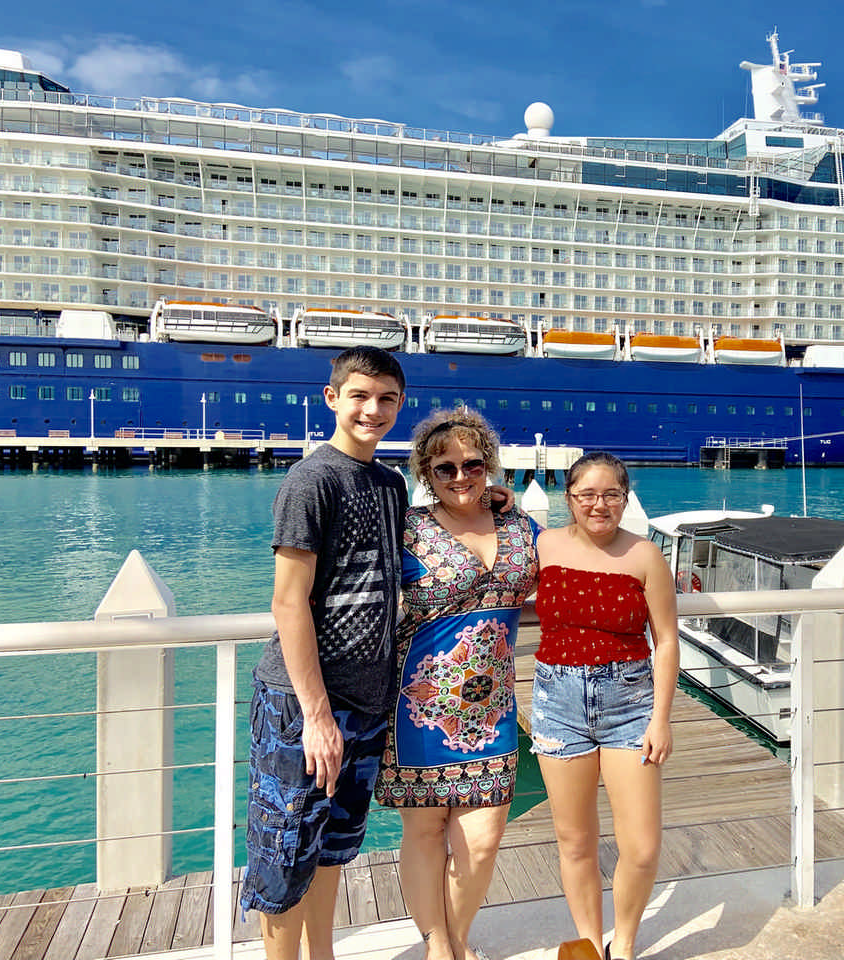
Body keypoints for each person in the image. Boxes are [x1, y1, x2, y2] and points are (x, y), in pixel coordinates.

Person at [240, 345, 407, 960]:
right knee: (285, 854)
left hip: (366, 699)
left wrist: (494, 504)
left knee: (335, 844)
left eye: (387, 398)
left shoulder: (390, 485)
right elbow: (289, 603)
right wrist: (315, 716)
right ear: (332, 397)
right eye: (360, 395)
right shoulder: (311, 480)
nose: (374, 409)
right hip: (303, 702)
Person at [375, 407, 540, 960]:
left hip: (493, 708)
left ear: (489, 465)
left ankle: (460, 937)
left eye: (472, 464)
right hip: (417, 707)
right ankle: (440, 947)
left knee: (485, 838)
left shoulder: (519, 525)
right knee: (424, 834)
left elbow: (568, 565)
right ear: (426, 472)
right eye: (444, 468)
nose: (460, 476)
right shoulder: (407, 528)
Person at [531, 451, 679, 960]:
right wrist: (497, 499)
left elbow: (667, 641)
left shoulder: (645, 556)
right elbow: (489, 546)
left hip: (630, 706)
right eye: (586, 495)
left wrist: (661, 718)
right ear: (568, 498)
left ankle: (627, 943)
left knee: (640, 846)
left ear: (626, 496)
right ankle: (590, 945)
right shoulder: (543, 544)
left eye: (611, 494)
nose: (599, 505)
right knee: (575, 840)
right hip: (558, 703)